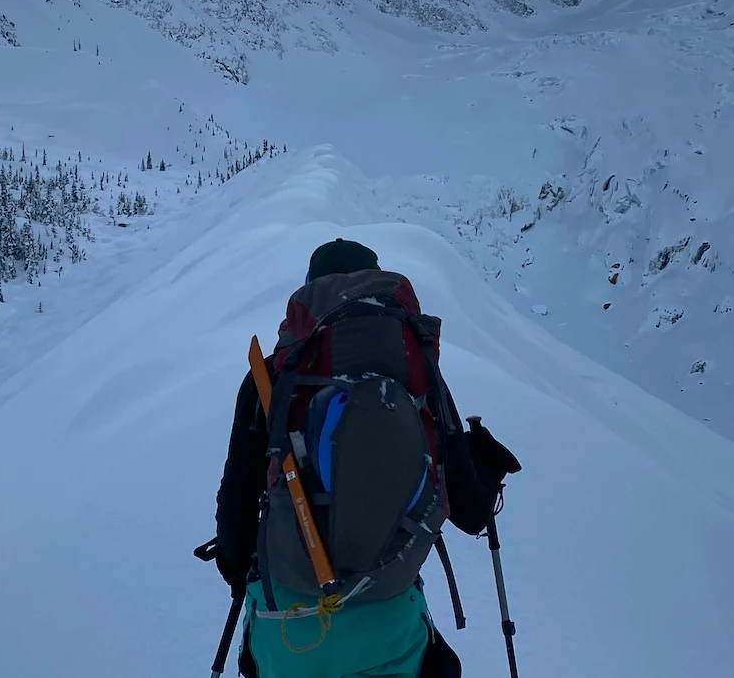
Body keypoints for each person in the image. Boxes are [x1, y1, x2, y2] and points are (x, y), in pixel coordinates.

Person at [214, 238, 520, 678]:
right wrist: (487, 465)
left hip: (284, 632)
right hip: (392, 622)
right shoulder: (417, 374)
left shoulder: (271, 378)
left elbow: (235, 534)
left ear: (309, 295)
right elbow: (472, 511)